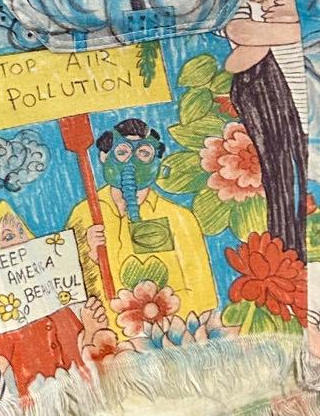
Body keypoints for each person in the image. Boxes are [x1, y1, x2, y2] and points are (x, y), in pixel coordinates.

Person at [66, 118, 219, 332]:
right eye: (122, 153)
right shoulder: (84, 215)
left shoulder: (179, 218)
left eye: (144, 154)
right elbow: (70, 294)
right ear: (104, 156)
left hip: (169, 335)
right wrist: (89, 255)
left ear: (156, 161)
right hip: (107, 339)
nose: (132, 163)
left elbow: (203, 297)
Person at [0, 201, 107, 398]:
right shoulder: (3, 318)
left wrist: (93, 255)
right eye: (8, 237)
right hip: (41, 401)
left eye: (22, 232)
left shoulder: (61, 299)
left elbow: (84, 342)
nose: (20, 241)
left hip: (86, 391)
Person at [223, 0, 310, 260]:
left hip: (308, 117)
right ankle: (289, 254)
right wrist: (287, 30)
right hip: (275, 118)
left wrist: (283, 28)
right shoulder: (252, 15)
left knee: (305, 184)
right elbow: (235, 58)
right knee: (282, 186)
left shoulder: (303, 10)